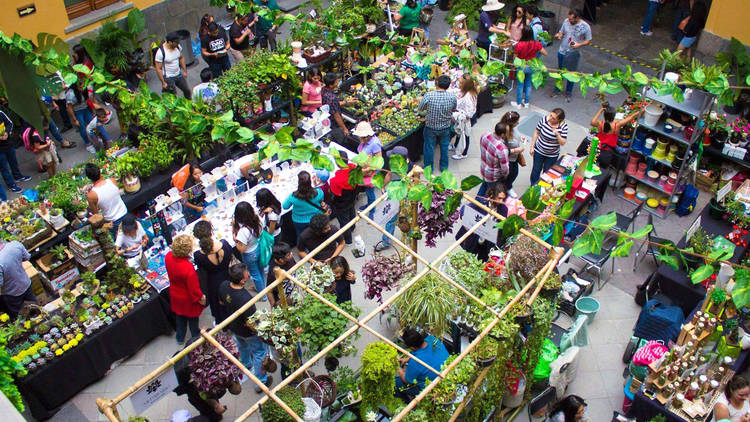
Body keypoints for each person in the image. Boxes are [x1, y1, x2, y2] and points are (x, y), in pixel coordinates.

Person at [219, 264, 272, 393]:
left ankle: (246, 364)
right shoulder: (245, 299)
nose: (248, 273)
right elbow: (250, 323)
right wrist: (260, 332)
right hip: (248, 332)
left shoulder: (224, 285)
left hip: (235, 327)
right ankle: (261, 382)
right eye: (246, 272)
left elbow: (221, 303)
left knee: (242, 345)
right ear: (242, 280)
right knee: (259, 353)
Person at [165, 234, 206, 344]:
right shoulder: (188, 268)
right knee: (193, 319)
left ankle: (180, 338)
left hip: (175, 294)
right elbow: (194, 289)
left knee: (180, 318)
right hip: (188, 299)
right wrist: (201, 298)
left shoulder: (168, 256)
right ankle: (195, 340)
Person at [193, 220, 233, 324]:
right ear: (211, 231)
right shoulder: (224, 244)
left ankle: (222, 324)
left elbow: (201, 269)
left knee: (218, 305)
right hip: (228, 277)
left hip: (213, 283)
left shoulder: (198, 255)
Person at [374, 147, 411, 252]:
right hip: (396, 194)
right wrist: (383, 186)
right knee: (396, 217)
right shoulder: (404, 164)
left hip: (401, 195)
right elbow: (389, 175)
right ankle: (392, 240)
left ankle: (390, 241)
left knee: (394, 218)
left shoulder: (410, 168)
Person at [419, 75, 457, 172]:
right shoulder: (452, 97)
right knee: (444, 148)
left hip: (430, 127)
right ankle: (444, 167)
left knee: (429, 148)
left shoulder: (429, 95)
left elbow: (421, 108)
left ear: (437, 84)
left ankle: (428, 168)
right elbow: (454, 108)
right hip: (445, 127)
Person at [395, 328, 449, 396]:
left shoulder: (415, 362)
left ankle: (405, 399)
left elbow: (406, 380)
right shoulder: (432, 339)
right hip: (448, 374)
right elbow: (426, 354)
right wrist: (407, 359)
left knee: (397, 382)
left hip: (435, 387)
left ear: (412, 348)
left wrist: (397, 367)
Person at [553, 10, 592, 102]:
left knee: (571, 73)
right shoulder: (566, 21)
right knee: (560, 71)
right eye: (569, 18)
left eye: (571, 19)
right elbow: (561, 32)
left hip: (573, 52)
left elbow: (588, 40)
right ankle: (557, 89)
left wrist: (579, 45)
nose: (569, 20)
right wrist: (559, 35)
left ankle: (568, 92)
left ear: (577, 18)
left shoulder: (585, 27)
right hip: (562, 50)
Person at [233, 201, 266, 300]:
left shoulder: (243, 231)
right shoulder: (258, 219)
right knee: (260, 271)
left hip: (249, 254)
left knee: (255, 275)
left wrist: (235, 239)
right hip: (258, 247)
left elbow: (241, 249)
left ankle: (263, 295)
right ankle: (263, 288)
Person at [85, 163, 128, 236]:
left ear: (89, 178)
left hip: (112, 222)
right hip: (125, 213)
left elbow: (97, 215)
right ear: (100, 172)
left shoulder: (91, 195)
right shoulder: (112, 180)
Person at [283, 171, 325, 241]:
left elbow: (285, 206)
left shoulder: (293, 196)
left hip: (299, 221)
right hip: (316, 218)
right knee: (317, 234)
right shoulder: (319, 192)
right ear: (310, 181)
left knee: (301, 236)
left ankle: (302, 248)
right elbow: (322, 201)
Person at [0, 240, 37, 320]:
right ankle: (40, 320)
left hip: (12, 293)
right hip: (25, 283)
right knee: (35, 307)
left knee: (21, 317)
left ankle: (29, 328)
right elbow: (26, 257)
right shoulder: (15, 245)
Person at [530, 108, 568, 185]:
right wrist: (532, 146)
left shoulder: (563, 126)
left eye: (553, 118)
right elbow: (536, 132)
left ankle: (543, 186)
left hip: (552, 155)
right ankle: (533, 186)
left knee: (547, 172)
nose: (550, 118)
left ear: (559, 120)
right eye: (550, 115)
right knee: (536, 170)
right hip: (539, 151)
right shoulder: (544, 120)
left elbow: (562, 142)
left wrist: (557, 134)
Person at [513, 27, 547, 109]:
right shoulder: (536, 44)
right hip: (531, 66)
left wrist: (515, 65)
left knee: (520, 85)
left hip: (522, 66)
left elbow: (515, 58)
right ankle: (527, 102)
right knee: (528, 84)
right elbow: (545, 53)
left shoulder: (519, 45)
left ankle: (518, 103)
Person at [353, 121, 382, 216]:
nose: (360, 139)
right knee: (367, 190)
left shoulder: (374, 144)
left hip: (370, 173)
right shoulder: (364, 142)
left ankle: (372, 211)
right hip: (364, 170)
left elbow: (378, 162)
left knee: (370, 192)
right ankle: (369, 204)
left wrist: (366, 170)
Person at [477, 122, 510, 199]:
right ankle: (480, 206)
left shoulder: (485, 135)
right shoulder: (502, 148)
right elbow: (505, 169)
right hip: (493, 176)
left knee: (484, 184)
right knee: (491, 194)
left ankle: (476, 201)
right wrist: (505, 175)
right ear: (502, 134)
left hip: (483, 169)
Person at [0, 111, 30, 195]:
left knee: (13, 161)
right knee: (4, 168)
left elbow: (9, 123)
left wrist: (6, 132)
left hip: (8, 144)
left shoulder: (1, 113)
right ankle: (11, 185)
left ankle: (18, 176)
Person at [155, 32, 191, 99]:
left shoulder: (177, 47)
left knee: (187, 90)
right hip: (168, 77)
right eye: (176, 43)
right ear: (170, 42)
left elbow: (181, 57)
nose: (178, 44)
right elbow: (158, 69)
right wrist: (163, 82)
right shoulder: (160, 52)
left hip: (178, 74)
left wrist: (185, 70)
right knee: (173, 95)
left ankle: (190, 104)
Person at [329, 159, 357, 245]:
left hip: (342, 203)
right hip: (352, 197)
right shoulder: (353, 169)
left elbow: (334, 194)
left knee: (344, 222)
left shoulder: (335, 180)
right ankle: (352, 226)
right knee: (352, 212)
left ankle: (348, 240)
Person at [451, 74, 478, 160]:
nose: (458, 83)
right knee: (459, 133)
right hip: (462, 117)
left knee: (465, 135)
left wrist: (459, 115)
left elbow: (469, 113)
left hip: (465, 119)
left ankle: (463, 153)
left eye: (460, 82)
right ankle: (455, 145)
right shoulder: (468, 92)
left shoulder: (468, 97)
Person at [65, 82, 96, 153]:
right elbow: (69, 108)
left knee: (93, 123)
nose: (82, 87)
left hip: (85, 109)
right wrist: (75, 119)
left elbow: (89, 100)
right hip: (77, 112)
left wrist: (92, 110)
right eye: (81, 86)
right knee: (82, 128)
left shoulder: (84, 89)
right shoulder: (70, 94)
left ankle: (96, 137)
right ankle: (88, 144)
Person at [500, 111, 524, 197]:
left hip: (514, 158)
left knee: (514, 174)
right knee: (508, 175)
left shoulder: (512, 129)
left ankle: (508, 187)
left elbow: (515, 136)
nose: (518, 122)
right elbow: (502, 150)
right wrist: (516, 150)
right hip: (507, 159)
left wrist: (520, 138)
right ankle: (504, 190)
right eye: (517, 121)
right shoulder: (503, 133)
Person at [267, 242, 298, 307]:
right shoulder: (273, 272)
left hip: (293, 292)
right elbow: (269, 291)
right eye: (288, 255)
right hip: (282, 299)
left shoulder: (290, 259)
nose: (292, 255)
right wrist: (273, 306)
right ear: (281, 260)